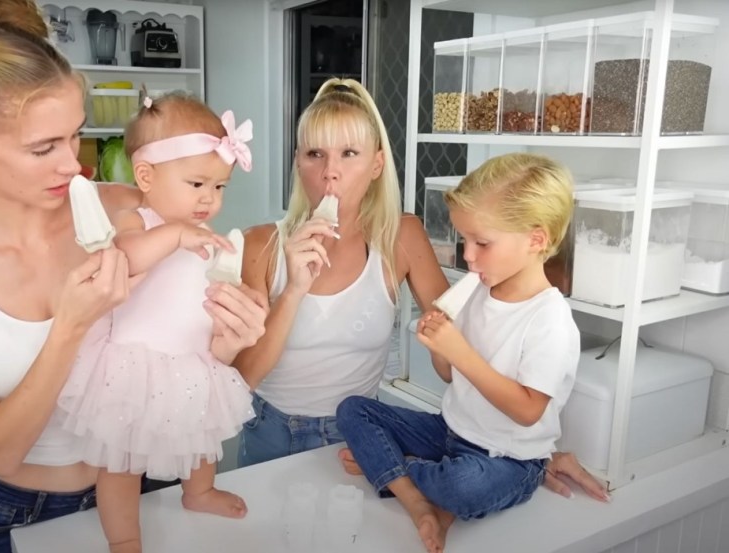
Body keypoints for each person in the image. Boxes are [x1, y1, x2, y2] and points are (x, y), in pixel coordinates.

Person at [0, 3, 266, 552]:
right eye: (44, 148)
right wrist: (69, 327)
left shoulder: (127, 205)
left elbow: (177, 331)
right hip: (19, 510)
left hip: (146, 482)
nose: (74, 164)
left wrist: (226, 343)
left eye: (74, 135)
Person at [233, 78, 610, 500]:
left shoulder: (403, 237)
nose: (330, 171)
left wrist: (530, 458)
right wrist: (293, 291)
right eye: (314, 153)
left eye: (349, 153)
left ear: (376, 165)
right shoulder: (259, 245)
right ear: (298, 161)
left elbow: (454, 362)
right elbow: (242, 378)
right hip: (266, 431)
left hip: (352, 442)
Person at [336, 153, 583, 553]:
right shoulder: (478, 294)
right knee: (353, 410)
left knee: (462, 487)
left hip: (509, 459)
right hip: (451, 431)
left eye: (482, 243)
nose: (468, 255)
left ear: (536, 240)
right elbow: (450, 375)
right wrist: (439, 344)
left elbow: (528, 410)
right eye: (464, 240)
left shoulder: (549, 319)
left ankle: (395, 472)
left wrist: (460, 351)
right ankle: (418, 497)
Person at [56, 94, 258, 550]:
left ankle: (198, 491)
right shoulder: (138, 220)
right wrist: (176, 234)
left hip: (193, 358)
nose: (209, 198)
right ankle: (124, 537)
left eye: (220, 187)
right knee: (121, 462)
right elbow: (124, 258)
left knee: (201, 438)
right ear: (146, 176)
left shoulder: (206, 236)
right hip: (132, 366)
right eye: (197, 183)